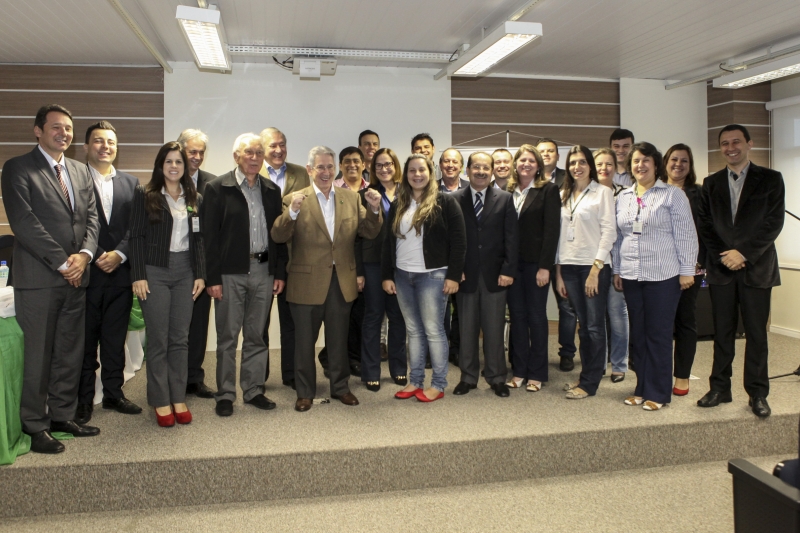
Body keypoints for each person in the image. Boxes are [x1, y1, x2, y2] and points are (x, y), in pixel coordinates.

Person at [2, 104, 100, 453]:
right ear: (38, 131)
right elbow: (24, 223)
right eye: (56, 127)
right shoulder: (17, 168)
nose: (64, 133)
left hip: (77, 276)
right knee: (38, 356)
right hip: (40, 280)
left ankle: (62, 415)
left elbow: (91, 220)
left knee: (69, 354)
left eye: (69, 128)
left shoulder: (79, 170)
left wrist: (85, 256)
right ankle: (34, 424)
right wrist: (63, 263)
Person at [271, 146, 383, 412]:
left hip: (340, 281)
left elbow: (368, 231)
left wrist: (375, 209)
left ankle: (341, 387)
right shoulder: (293, 199)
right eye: (320, 167)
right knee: (304, 343)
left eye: (330, 167)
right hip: (306, 282)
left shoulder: (351, 198)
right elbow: (278, 235)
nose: (326, 172)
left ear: (337, 169)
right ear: (310, 170)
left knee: (338, 339)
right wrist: (293, 212)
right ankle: (305, 392)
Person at [697, 125, 785, 418]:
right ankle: (720, 388)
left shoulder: (771, 179)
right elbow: (706, 226)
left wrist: (743, 253)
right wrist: (726, 256)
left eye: (736, 142)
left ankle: (758, 393)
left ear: (749, 143)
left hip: (757, 268)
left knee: (757, 336)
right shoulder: (710, 184)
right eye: (724, 143)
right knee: (722, 333)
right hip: (722, 269)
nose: (730, 147)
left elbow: (773, 223)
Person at [202, 133, 287, 417]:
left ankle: (253, 390)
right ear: (236, 156)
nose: (254, 158)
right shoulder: (217, 188)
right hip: (229, 273)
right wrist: (212, 278)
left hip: (264, 271)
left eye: (259, 153)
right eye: (248, 153)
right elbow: (208, 239)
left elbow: (279, 234)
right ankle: (225, 393)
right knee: (227, 337)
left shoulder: (271, 190)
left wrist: (278, 271)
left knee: (256, 336)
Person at [612, 142, 697, 411]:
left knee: (658, 334)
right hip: (631, 274)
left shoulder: (672, 195)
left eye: (646, 160)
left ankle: (658, 392)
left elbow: (686, 235)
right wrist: (616, 269)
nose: (640, 165)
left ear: (656, 164)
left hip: (664, 275)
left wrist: (686, 270)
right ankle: (641, 387)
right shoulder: (623, 196)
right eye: (636, 161)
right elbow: (618, 238)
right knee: (639, 333)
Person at [130, 142, 206, 427]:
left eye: (179, 162)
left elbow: (199, 239)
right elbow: (135, 236)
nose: (174, 166)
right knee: (159, 338)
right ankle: (160, 400)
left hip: (186, 270)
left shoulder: (193, 196)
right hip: (155, 271)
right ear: (160, 165)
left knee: (180, 338)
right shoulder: (146, 194)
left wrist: (200, 274)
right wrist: (138, 274)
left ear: (185, 167)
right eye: (169, 161)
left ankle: (178, 396)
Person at [382, 154, 466, 402]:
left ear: (430, 173)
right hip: (403, 275)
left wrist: (453, 276)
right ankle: (415, 381)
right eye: (411, 171)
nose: (416, 175)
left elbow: (460, 243)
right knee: (413, 331)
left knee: (433, 330)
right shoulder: (399, 204)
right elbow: (388, 243)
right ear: (405, 175)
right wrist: (387, 275)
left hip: (433, 276)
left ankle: (438, 384)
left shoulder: (445, 202)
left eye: (421, 170)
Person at [76, 121, 142, 425]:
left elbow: (137, 227)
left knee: (115, 339)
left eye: (111, 142)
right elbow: (71, 224)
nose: (106, 147)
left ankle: (114, 394)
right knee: (86, 342)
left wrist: (119, 253)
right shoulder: (74, 179)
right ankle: (84, 401)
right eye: (99, 141)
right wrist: (98, 253)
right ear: (87, 146)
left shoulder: (132, 183)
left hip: (120, 273)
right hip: (86, 274)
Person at [453, 152, 517, 397]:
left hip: (496, 275)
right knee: (467, 329)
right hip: (465, 276)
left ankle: (496, 377)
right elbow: (452, 240)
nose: (480, 171)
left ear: (492, 171)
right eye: (476, 167)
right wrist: (454, 271)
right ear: (467, 170)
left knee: (493, 328)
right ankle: (468, 378)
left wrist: (508, 270)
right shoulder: (454, 199)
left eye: (485, 167)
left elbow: (511, 238)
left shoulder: (505, 199)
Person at [555, 146, 616, 399]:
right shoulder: (563, 193)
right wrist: (558, 273)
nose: (577, 167)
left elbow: (609, 232)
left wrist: (595, 269)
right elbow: (558, 236)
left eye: (582, 162)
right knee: (583, 326)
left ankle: (589, 383)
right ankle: (585, 377)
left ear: (590, 165)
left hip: (593, 267)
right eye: (572, 162)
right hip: (568, 266)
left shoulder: (603, 193)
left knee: (593, 326)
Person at [504, 145, 560, 393]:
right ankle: (519, 370)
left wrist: (545, 267)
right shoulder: (508, 191)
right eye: (522, 160)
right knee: (517, 317)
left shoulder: (548, 190)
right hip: (511, 267)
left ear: (538, 165)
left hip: (536, 266)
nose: (526, 163)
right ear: (516, 164)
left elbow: (551, 232)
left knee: (536, 317)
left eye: (531, 160)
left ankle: (537, 372)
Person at [259, 127, 311, 390]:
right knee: (259, 322)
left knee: (292, 322)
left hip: (293, 256)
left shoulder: (301, 172)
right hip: (262, 256)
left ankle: (291, 374)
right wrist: (290, 202)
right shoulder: (253, 171)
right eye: (272, 146)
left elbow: (307, 205)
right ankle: (259, 376)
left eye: (282, 145)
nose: (278, 150)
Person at [356, 148, 407, 391]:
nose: (384, 169)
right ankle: (371, 371)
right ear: (371, 169)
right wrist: (358, 270)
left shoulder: (409, 193)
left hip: (402, 263)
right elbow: (356, 235)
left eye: (388, 164)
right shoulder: (363, 194)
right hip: (373, 262)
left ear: (396, 166)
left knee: (398, 317)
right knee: (374, 316)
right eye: (378, 165)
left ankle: (398, 369)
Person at [662, 144, 705, 396]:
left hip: (690, 270)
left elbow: (705, 232)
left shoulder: (699, 194)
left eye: (684, 161)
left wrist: (695, 264)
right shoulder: (654, 191)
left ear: (690, 166)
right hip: (661, 270)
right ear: (665, 162)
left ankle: (682, 376)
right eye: (674, 159)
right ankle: (660, 373)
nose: (678, 164)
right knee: (661, 325)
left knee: (685, 322)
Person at [178, 128, 216, 399]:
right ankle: (175, 378)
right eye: (192, 151)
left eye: (201, 152)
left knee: (200, 325)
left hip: (203, 267)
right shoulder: (167, 180)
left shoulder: (213, 184)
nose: (197, 156)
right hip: (174, 266)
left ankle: (194, 377)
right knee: (176, 327)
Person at [536, 138, 576, 372]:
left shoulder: (568, 179)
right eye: (542, 151)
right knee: (536, 308)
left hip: (564, 252)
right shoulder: (529, 179)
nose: (546, 154)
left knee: (567, 305)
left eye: (551, 151)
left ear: (558, 155)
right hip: (538, 254)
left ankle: (567, 352)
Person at [594, 148, 628, 382]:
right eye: (599, 164)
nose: (604, 168)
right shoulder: (586, 193)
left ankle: (619, 364)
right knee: (595, 317)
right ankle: (598, 363)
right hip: (593, 264)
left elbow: (624, 232)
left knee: (616, 314)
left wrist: (620, 267)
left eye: (609, 164)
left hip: (617, 263)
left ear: (616, 168)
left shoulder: (626, 194)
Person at [436, 147, 467, 364]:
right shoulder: (431, 189)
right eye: (446, 161)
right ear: (440, 165)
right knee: (440, 308)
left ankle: (457, 349)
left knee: (461, 308)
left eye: (454, 162)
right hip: (437, 259)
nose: (450, 165)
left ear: (461, 166)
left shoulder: (470, 188)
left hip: (461, 257)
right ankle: (439, 350)